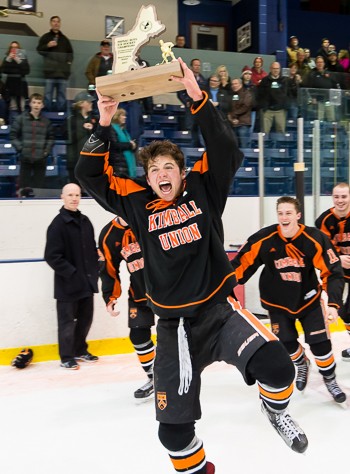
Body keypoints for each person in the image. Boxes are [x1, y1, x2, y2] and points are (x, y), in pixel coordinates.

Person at [76, 57, 308, 473]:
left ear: (183, 174)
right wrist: (104, 119)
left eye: (170, 168)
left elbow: (224, 149)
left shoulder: (204, 188)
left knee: (279, 368)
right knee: (173, 435)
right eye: (154, 170)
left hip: (220, 312)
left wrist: (198, 97)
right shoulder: (136, 205)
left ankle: (274, 411)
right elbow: (89, 175)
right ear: (146, 179)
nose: (162, 174)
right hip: (173, 328)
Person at [231, 196, 346, 404]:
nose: (284, 217)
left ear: (298, 216)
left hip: (308, 300)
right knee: (286, 343)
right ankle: (301, 363)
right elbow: (241, 265)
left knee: (320, 345)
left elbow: (333, 271)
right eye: (281, 213)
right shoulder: (265, 238)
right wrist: (223, 289)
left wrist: (333, 304)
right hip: (277, 303)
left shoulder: (314, 238)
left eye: (288, 213)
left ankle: (330, 379)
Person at [98, 216, 155, 399]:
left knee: (176, 332)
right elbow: (109, 268)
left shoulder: (150, 217)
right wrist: (110, 296)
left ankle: (182, 372)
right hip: (139, 293)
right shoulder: (109, 235)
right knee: (138, 335)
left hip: (169, 290)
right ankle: (156, 376)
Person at [44, 183, 99, 370]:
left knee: (85, 320)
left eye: (77, 195)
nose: (74, 198)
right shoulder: (57, 224)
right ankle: (66, 357)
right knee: (67, 324)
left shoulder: (85, 221)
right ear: (62, 197)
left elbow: (91, 250)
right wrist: (72, 273)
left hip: (86, 283)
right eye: (70, 195)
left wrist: (96, 268)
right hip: (67, 285)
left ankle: (80, 350)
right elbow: (51, 256)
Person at [315, 182, 350, 361]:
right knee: (344, 312)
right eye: (337, 197)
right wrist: (339, 258)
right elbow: (322, 248)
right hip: (337, 270)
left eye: (344, 196)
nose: (340, 200)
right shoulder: (323, 220)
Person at [10, 93, 55, 194]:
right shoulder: (21, 119)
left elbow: (51, 138)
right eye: (34, 102)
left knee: (39, 190)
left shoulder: (46, 122)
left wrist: (46, 152)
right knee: (23, 190)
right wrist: (21, 149)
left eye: (39, 103)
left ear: (42, 105)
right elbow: (13, 135)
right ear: (30, 104)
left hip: (40, 160)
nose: (36, 105)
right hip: (25, 159)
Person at [36, 15, 74, 112]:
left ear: (60, 24)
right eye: (54, 21)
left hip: (63, 72)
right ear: (50, 23)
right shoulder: (45, 37)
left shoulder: (65, 39)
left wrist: (68, 64)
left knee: (61, 95)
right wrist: (47, 45)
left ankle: (59, 115)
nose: (56, 23)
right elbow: (39, 50)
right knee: (48, 94)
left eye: (58, 21)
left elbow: (71, 54)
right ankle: (48, 114)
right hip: (50, 72)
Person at [66, 91, 98, 184]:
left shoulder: (95, 119)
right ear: (81, 104)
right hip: (75, 160)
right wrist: (83, 128)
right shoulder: (71, 119)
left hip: (91, 160)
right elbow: (70, 138)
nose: (91, 103)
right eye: (89, 102)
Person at [177, 58, 206, 147]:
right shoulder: (186, 77)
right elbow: (180, 93)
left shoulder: (203, 79)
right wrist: (186, 102)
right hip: (190, 108)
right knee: (190, 129)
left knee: (200, 131)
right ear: (191, 66)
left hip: (200, 109)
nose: (197, 67)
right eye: (195, 65)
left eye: (198, 65)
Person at [256, 61, 289, 133]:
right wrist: (263, 106)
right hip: (267, 110)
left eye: (277, 68)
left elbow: (286, 94)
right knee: (264, 132)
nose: (276, 70)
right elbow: (260, 94)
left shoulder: (284, 80)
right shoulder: (265, 80)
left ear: (280, 69)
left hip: (280, 110)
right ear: (270, 69)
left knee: (281, 132)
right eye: (274, 68)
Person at [1, 40, 30, 115]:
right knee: (8, 107)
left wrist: (18, 60)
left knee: (21, 107)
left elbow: (26, 71)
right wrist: (8, 59)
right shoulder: (7, 59)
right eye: (12, 47)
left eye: (16, 47)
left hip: (20, 85)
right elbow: (3, 70)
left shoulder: (23, 59)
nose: (14, 49)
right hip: (10, 85)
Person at [109, 108, 137, 177]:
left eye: (125, 115)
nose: (125, 117)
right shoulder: (112, 129)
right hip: (118, 164)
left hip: (125, 163)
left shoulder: (124, 131)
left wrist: (133, 145)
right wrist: (130, 145)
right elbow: (114, 145)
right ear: (116, 117)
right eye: (122, 115)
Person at [227, 77, 254, 148]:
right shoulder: (231, 95)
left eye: (236, 84)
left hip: (243, 124)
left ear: (241, 84)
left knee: (244, 146)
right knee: (234, 146)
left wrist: (233, 115)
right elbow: (229, 107)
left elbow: (245, 107)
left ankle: (245, 159)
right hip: (233, 124)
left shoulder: (247, 94)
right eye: (232, 84)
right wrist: (232, 119)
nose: (234, 85)